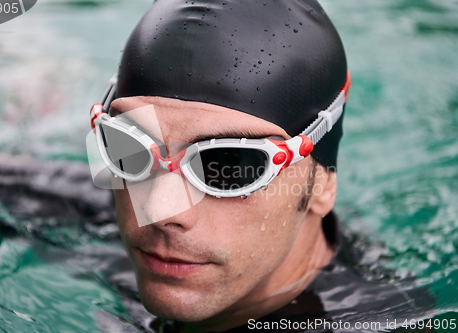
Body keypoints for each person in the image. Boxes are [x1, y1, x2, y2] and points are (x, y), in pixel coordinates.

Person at [86, 0, 435, 332]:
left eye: (227, 166)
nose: (161, 211)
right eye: (131, 148)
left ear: (322, 183)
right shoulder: (88, 223)